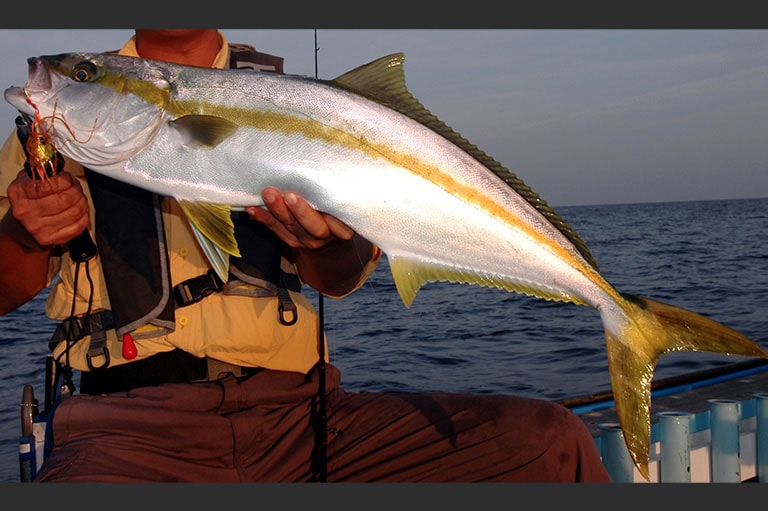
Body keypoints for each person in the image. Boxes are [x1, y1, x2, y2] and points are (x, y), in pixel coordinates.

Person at [0, 29, 611, 482]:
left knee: (545, 443)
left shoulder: (297, 97)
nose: (60, 80)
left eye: (79, 75)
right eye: (80, 75)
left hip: (302, 416)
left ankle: (615, 313)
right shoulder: (45, 132)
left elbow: (341, 279)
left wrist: (327, 243)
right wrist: (25, 234)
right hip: (128, 431)